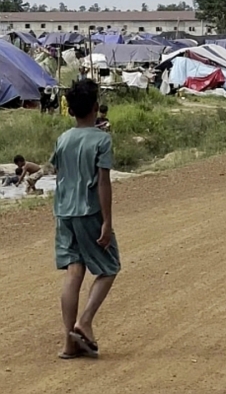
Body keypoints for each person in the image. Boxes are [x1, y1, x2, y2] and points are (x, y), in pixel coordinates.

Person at [49, 79, 120, 360]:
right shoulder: (102, 140)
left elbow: (59, 173)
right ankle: (85, 321)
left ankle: (69, 343)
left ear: (70, 111)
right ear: (95, 107)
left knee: (73, 272)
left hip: (63, 212)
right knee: (109, 266)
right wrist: (107, 221)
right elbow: (103, 183)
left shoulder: (63, 139)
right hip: (89, 212)